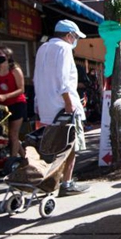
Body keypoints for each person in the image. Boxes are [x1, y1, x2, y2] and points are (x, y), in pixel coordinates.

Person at [33, 19, 90, 196]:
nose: (75, 41)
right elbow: (64, 79)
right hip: (63, 106)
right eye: (75, 37)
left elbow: (38, 77)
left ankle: (50, 180)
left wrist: (37, 102)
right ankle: (66, 182)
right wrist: (69, 102)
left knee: (50, 145)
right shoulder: (64, 49)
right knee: (70, 145)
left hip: (46, 106)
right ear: (69, 35)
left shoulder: (43, 48)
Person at [0, 46, 27, 159]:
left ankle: (12, 160)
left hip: (17, 103)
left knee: (13, 134)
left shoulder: (15, 70)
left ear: (8, 56)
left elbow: (21, 89)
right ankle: (25, 159)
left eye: (0, 53)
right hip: (3, 106)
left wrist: (6, 96)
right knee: (9, 135)